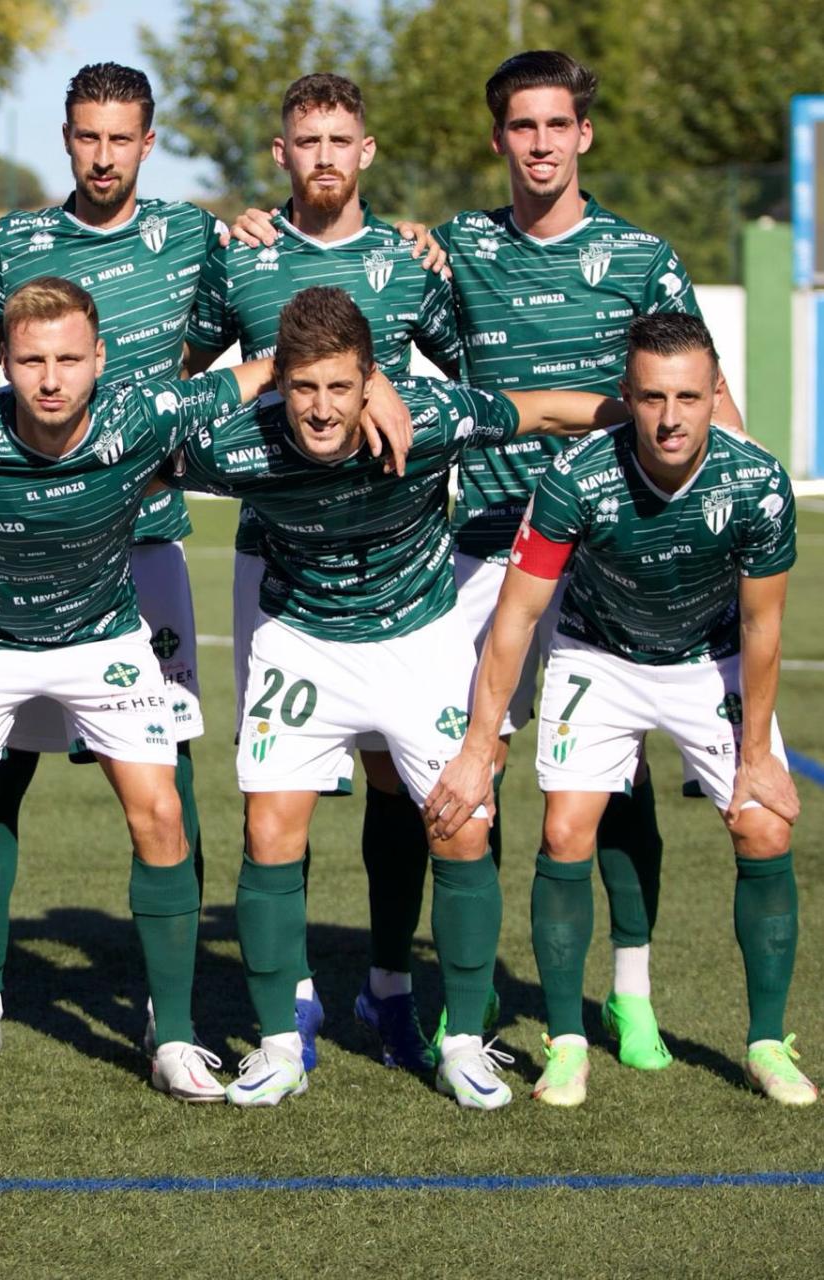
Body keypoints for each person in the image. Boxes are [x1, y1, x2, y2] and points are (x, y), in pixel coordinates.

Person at [0, 62, 415, 1056]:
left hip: (144, 544)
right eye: (85, 136)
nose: (101, 155)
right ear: (65, 137)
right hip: (29, 544)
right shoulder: (17, 241)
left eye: (119, 137)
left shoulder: (200, 237)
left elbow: (285, 323)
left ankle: (166, 1006)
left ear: (146, 141)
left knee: (160, 776)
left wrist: (341, 293)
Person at [0, 276, 407, 1102]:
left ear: (100, 360)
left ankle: (170, 1034)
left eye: (68, 359)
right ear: (5, 364)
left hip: (102, 638)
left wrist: (373, 380)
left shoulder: (143, 414)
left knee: (162, 812)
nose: (50, 378)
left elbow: (278, 368)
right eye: (30, 360)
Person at [173, 286, 620, 1109]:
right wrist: (258, 375)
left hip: (418, 640)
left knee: (463, 826)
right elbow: (140, 428)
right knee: (269, 832)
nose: (320, 408)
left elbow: (548, 413)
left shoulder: (432, 416)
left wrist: (647, 414)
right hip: (300, 640)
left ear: (370, 381)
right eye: (304, 387)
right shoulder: (236, 446)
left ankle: (460, 1045)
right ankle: (277, 1044)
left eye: (341, 387)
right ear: (281, 385)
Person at [430, 51, 744, 1064]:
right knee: (466, 770)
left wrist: (738, 513)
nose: (537, 143)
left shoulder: (641, 255)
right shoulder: (455, 246)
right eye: (519, 127)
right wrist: (265, 222)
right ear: (497, 140)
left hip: (613, 556)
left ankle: (631, 990)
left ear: (582, 136)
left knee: (614, 784)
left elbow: (703, 397)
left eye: (554, 125)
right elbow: (357, 267)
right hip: (485, 542)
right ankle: (463, 997)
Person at [425, 313, 812, 1107]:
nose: (670, 418)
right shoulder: (575, 476)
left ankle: (768, 1042)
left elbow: (763, 626)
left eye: (688, 398)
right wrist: (476, 742)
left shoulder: (757, 482)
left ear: (713, 398)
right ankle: (568, 1044)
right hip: (597, 653)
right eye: (651, 398)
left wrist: (759, 753)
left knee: (762, 822)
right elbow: (516, 616)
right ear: (626, 398)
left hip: (710, 658)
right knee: (566, 829)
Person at [191, 71, 462, 1072]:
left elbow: (466, 376)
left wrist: (388, 370)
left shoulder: (408, 259)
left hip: (397, 567)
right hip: (279, 567)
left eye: (339, 139)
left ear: (366, 151)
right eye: (304, 140)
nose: (322, 157)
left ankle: (385, 983)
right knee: (278, 784)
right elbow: (183, 387)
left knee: (400, 777)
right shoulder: (243, 261)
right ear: (279, 154)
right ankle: (289, 998)